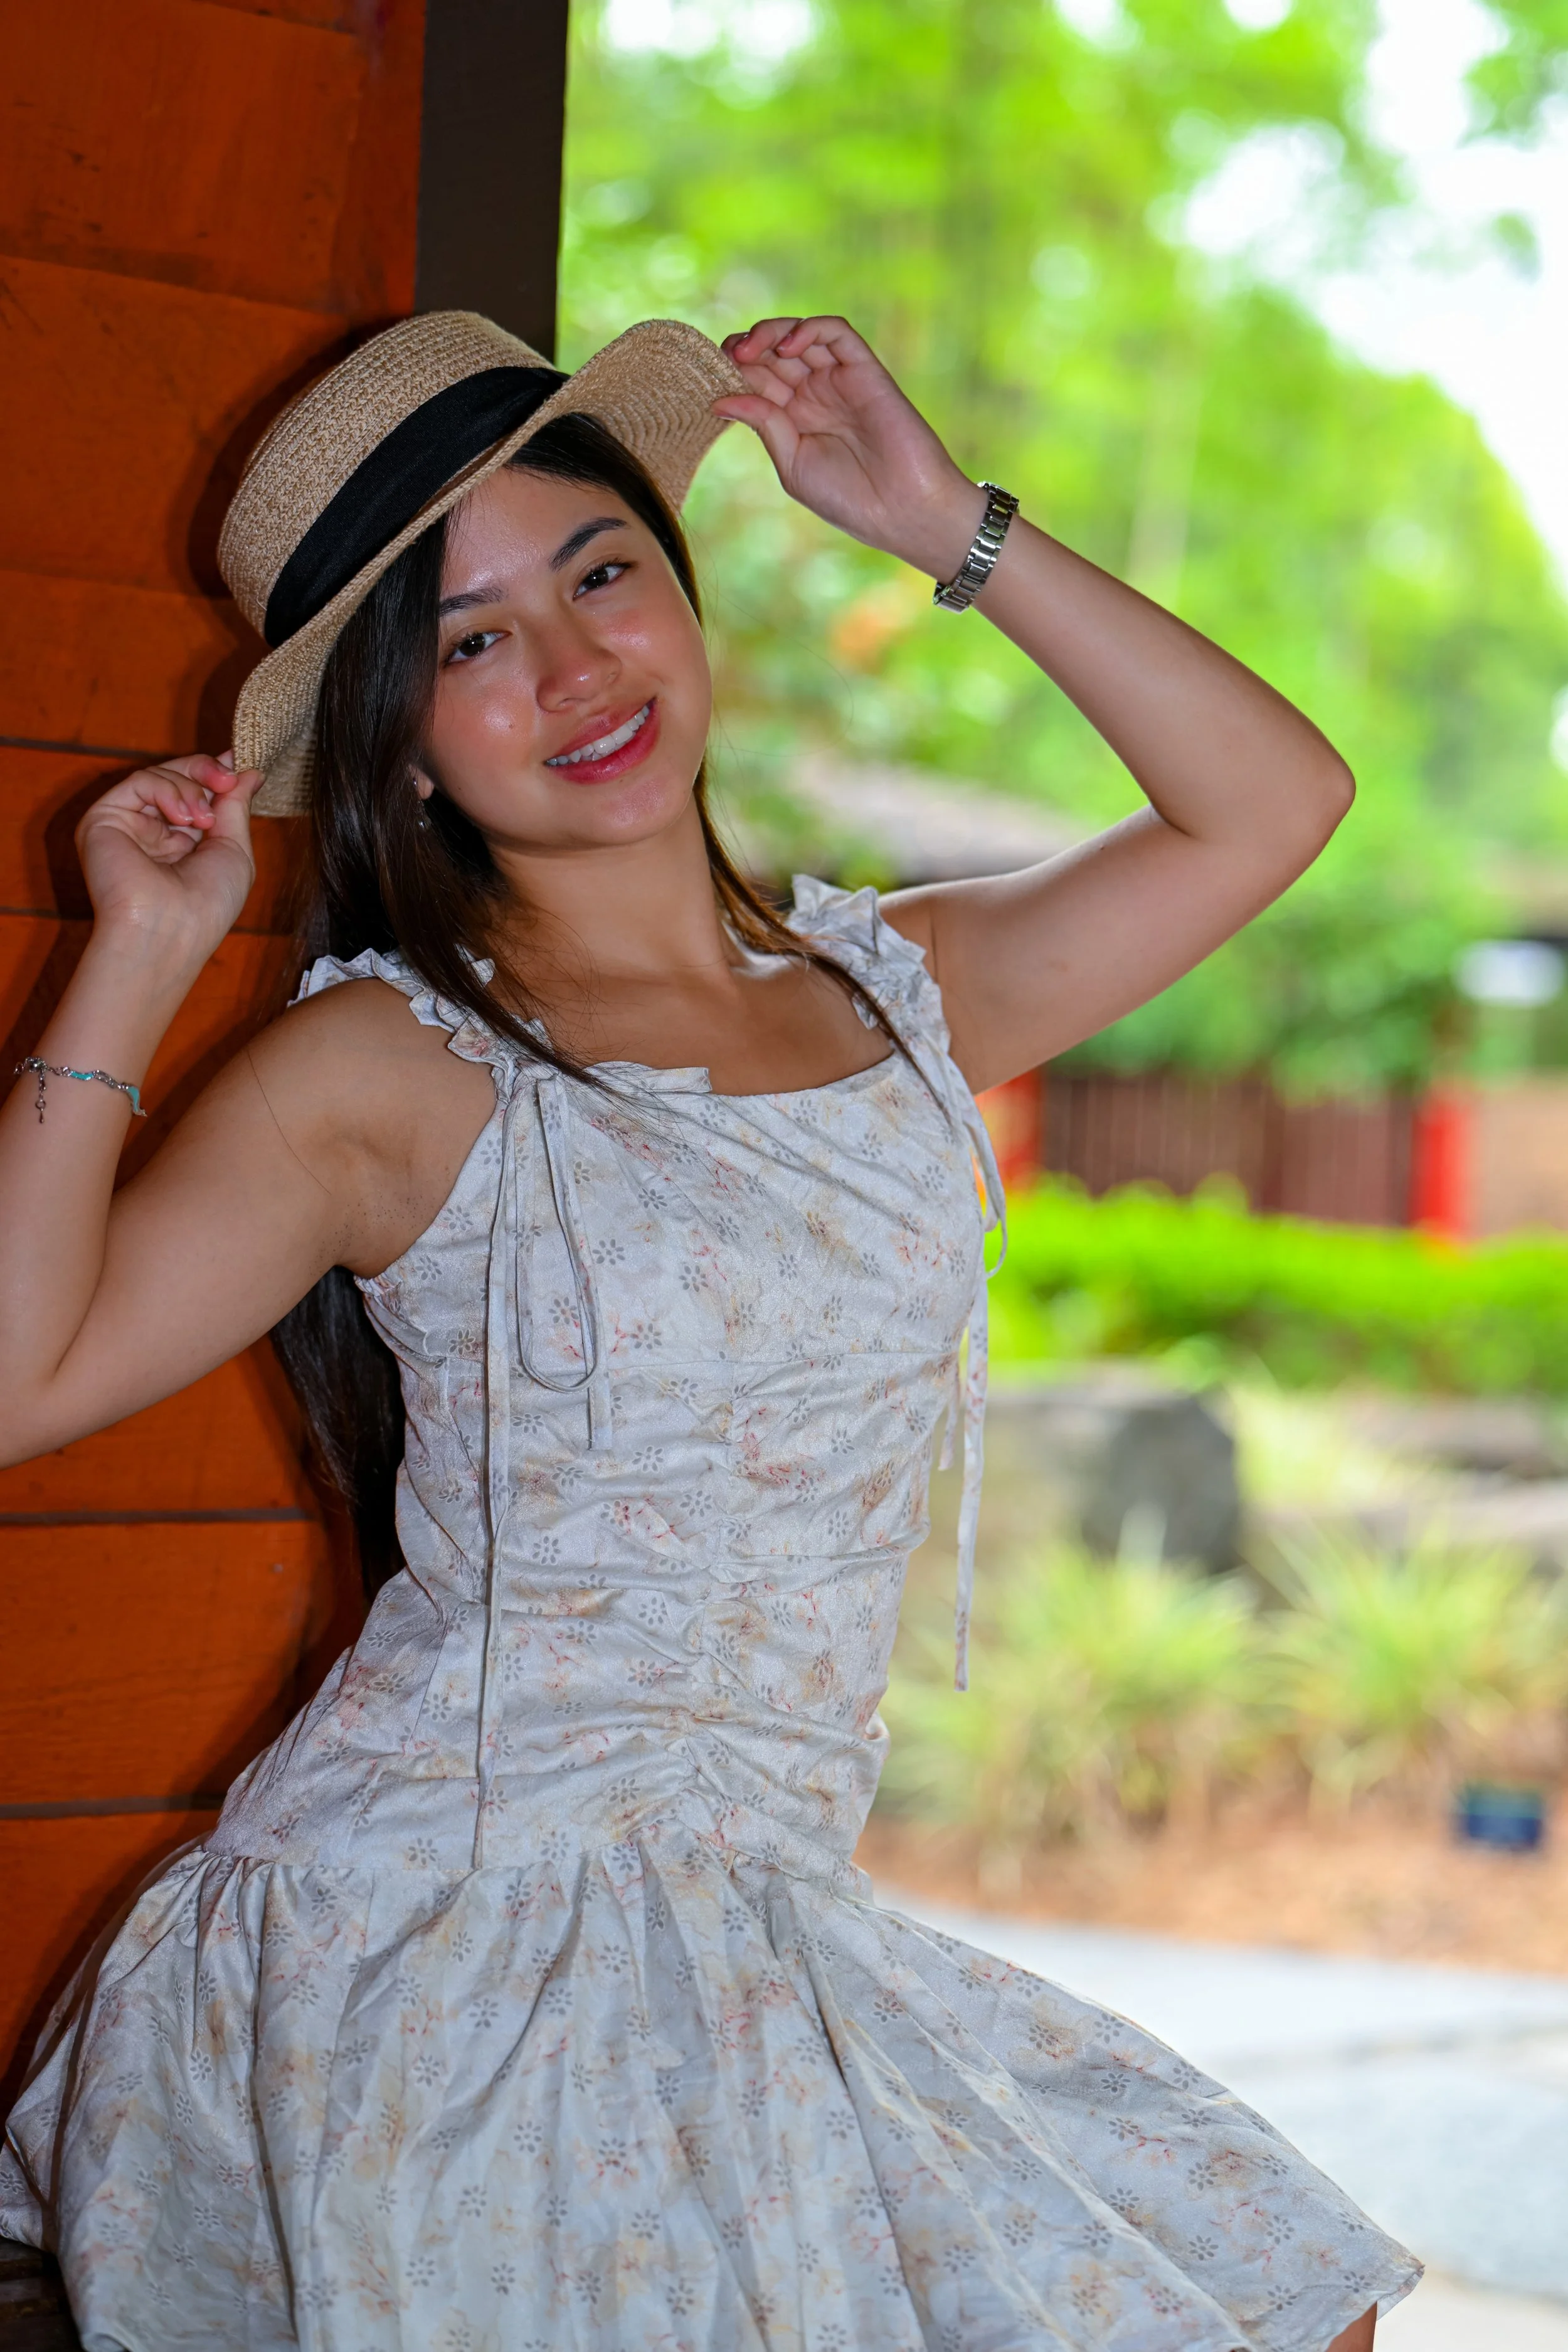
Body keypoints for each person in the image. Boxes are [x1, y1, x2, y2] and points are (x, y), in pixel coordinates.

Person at [0, 308, 1415, 2351]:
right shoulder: (391, 1071)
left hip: (755, 1918)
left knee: (1272, 2294)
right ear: (400, 738)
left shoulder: (898, 994)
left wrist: (946, 523)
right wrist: (133, 962)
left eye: (598, 572)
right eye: (471, 640)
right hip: (450, 1937)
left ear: (682, 589)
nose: (570, 664)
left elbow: (1272, 803)